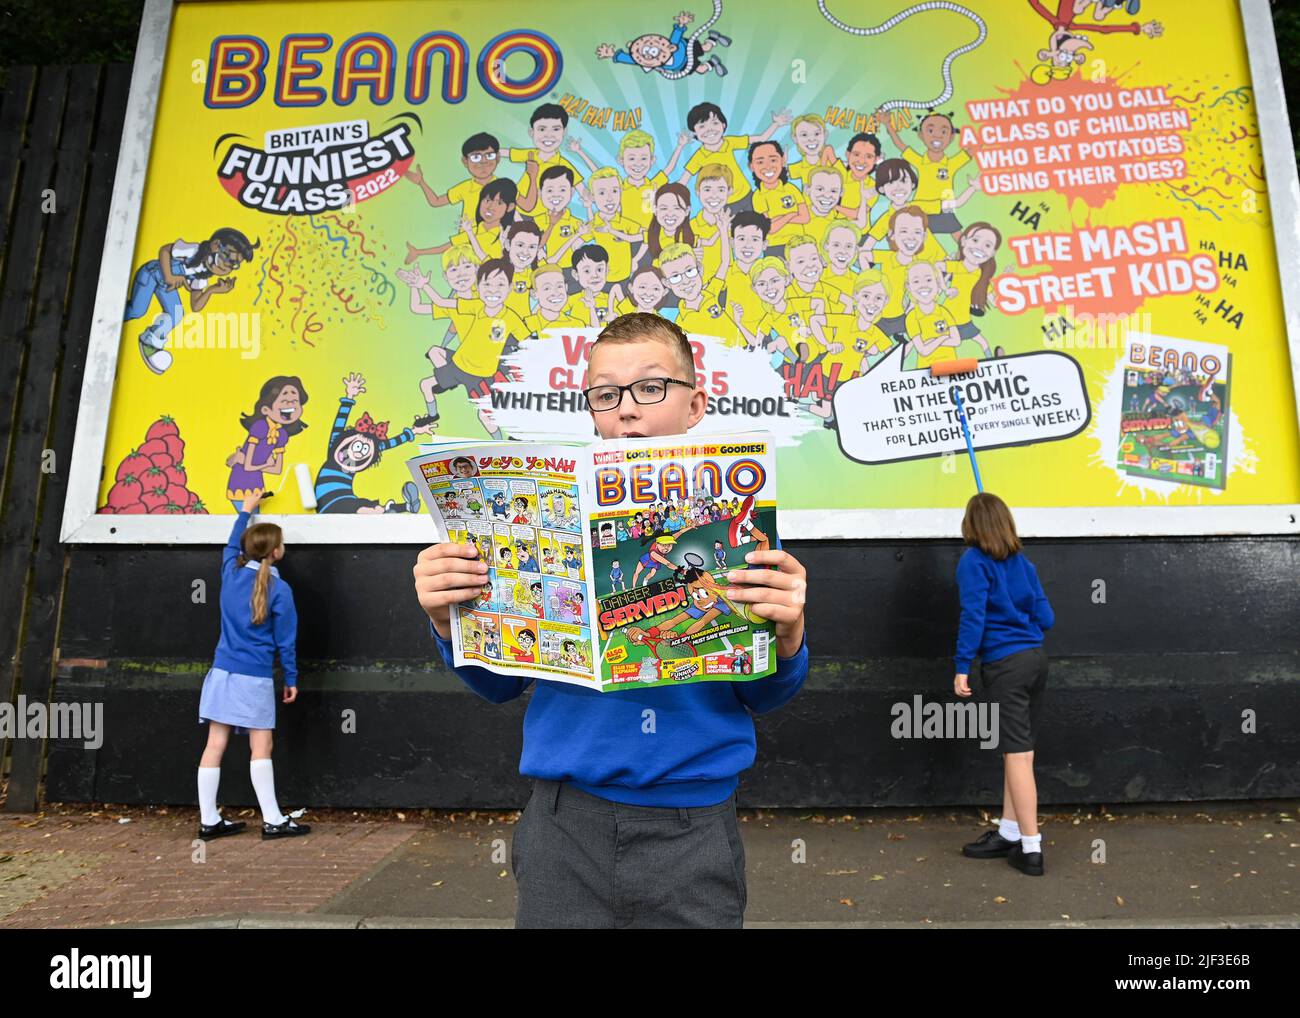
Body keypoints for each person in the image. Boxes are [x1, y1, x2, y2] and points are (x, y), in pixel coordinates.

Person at [413, 312, 810, 928]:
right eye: (606, 394)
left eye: (651, 388)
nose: (627, 410)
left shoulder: (741, 531)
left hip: (695, 828)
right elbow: (498, 685)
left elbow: (765, 694)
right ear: (592, 409)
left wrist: (787, 637)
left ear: (696, 404)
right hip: (563, 826)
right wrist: (448, 621)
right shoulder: (555, 518)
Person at [196, 491, 309, 842]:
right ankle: (273, 819)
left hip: (220, 674)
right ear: (276, 552)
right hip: (254, 679)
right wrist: (290, 678)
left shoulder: (230, 572)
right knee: (261, 747)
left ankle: (209, 820)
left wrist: (246, 510)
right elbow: (285, 642)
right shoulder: (280, 589)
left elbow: (231, 543)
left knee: (215, 744)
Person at [953, 493, 1054, 876]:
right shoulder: (1023, 563)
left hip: (1005, 665)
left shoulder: (972, 563)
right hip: (1035, 661)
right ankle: (1010, 832)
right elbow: (1046, 616)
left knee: (1015, 755)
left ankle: (1031, 850)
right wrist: (1018, 614)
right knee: (1022, 753)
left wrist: (962, 665)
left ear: (971, 526)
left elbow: (973, 616)